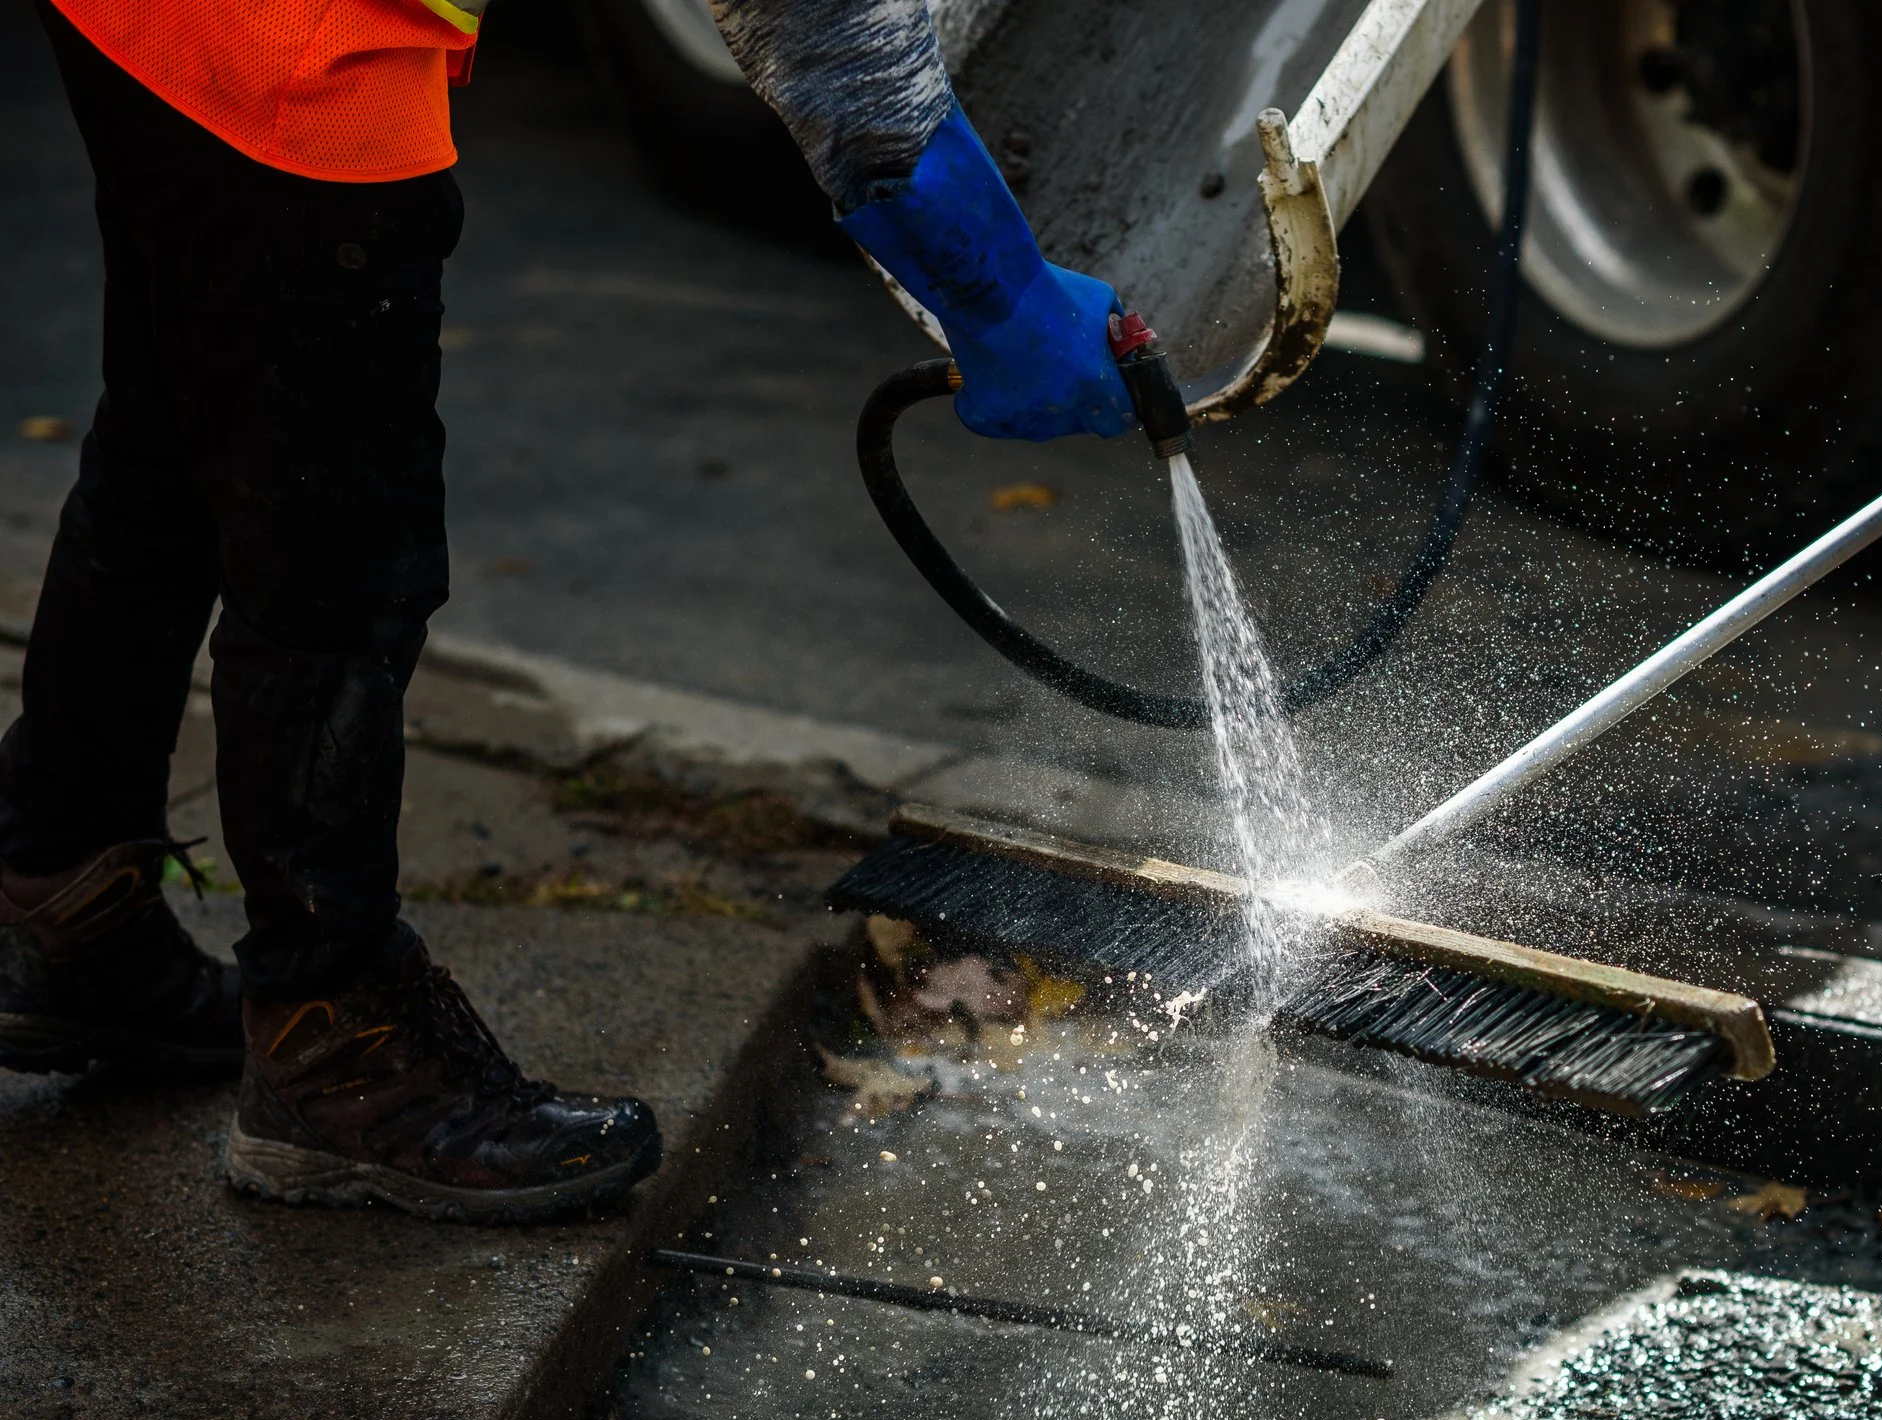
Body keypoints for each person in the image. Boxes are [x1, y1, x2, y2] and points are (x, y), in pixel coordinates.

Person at [4, 0, 1133, 1218]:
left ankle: (57, 889)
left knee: (181, 417)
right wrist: (1000, 291)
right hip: (295, 35)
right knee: (338, 544)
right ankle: (333, 1039)